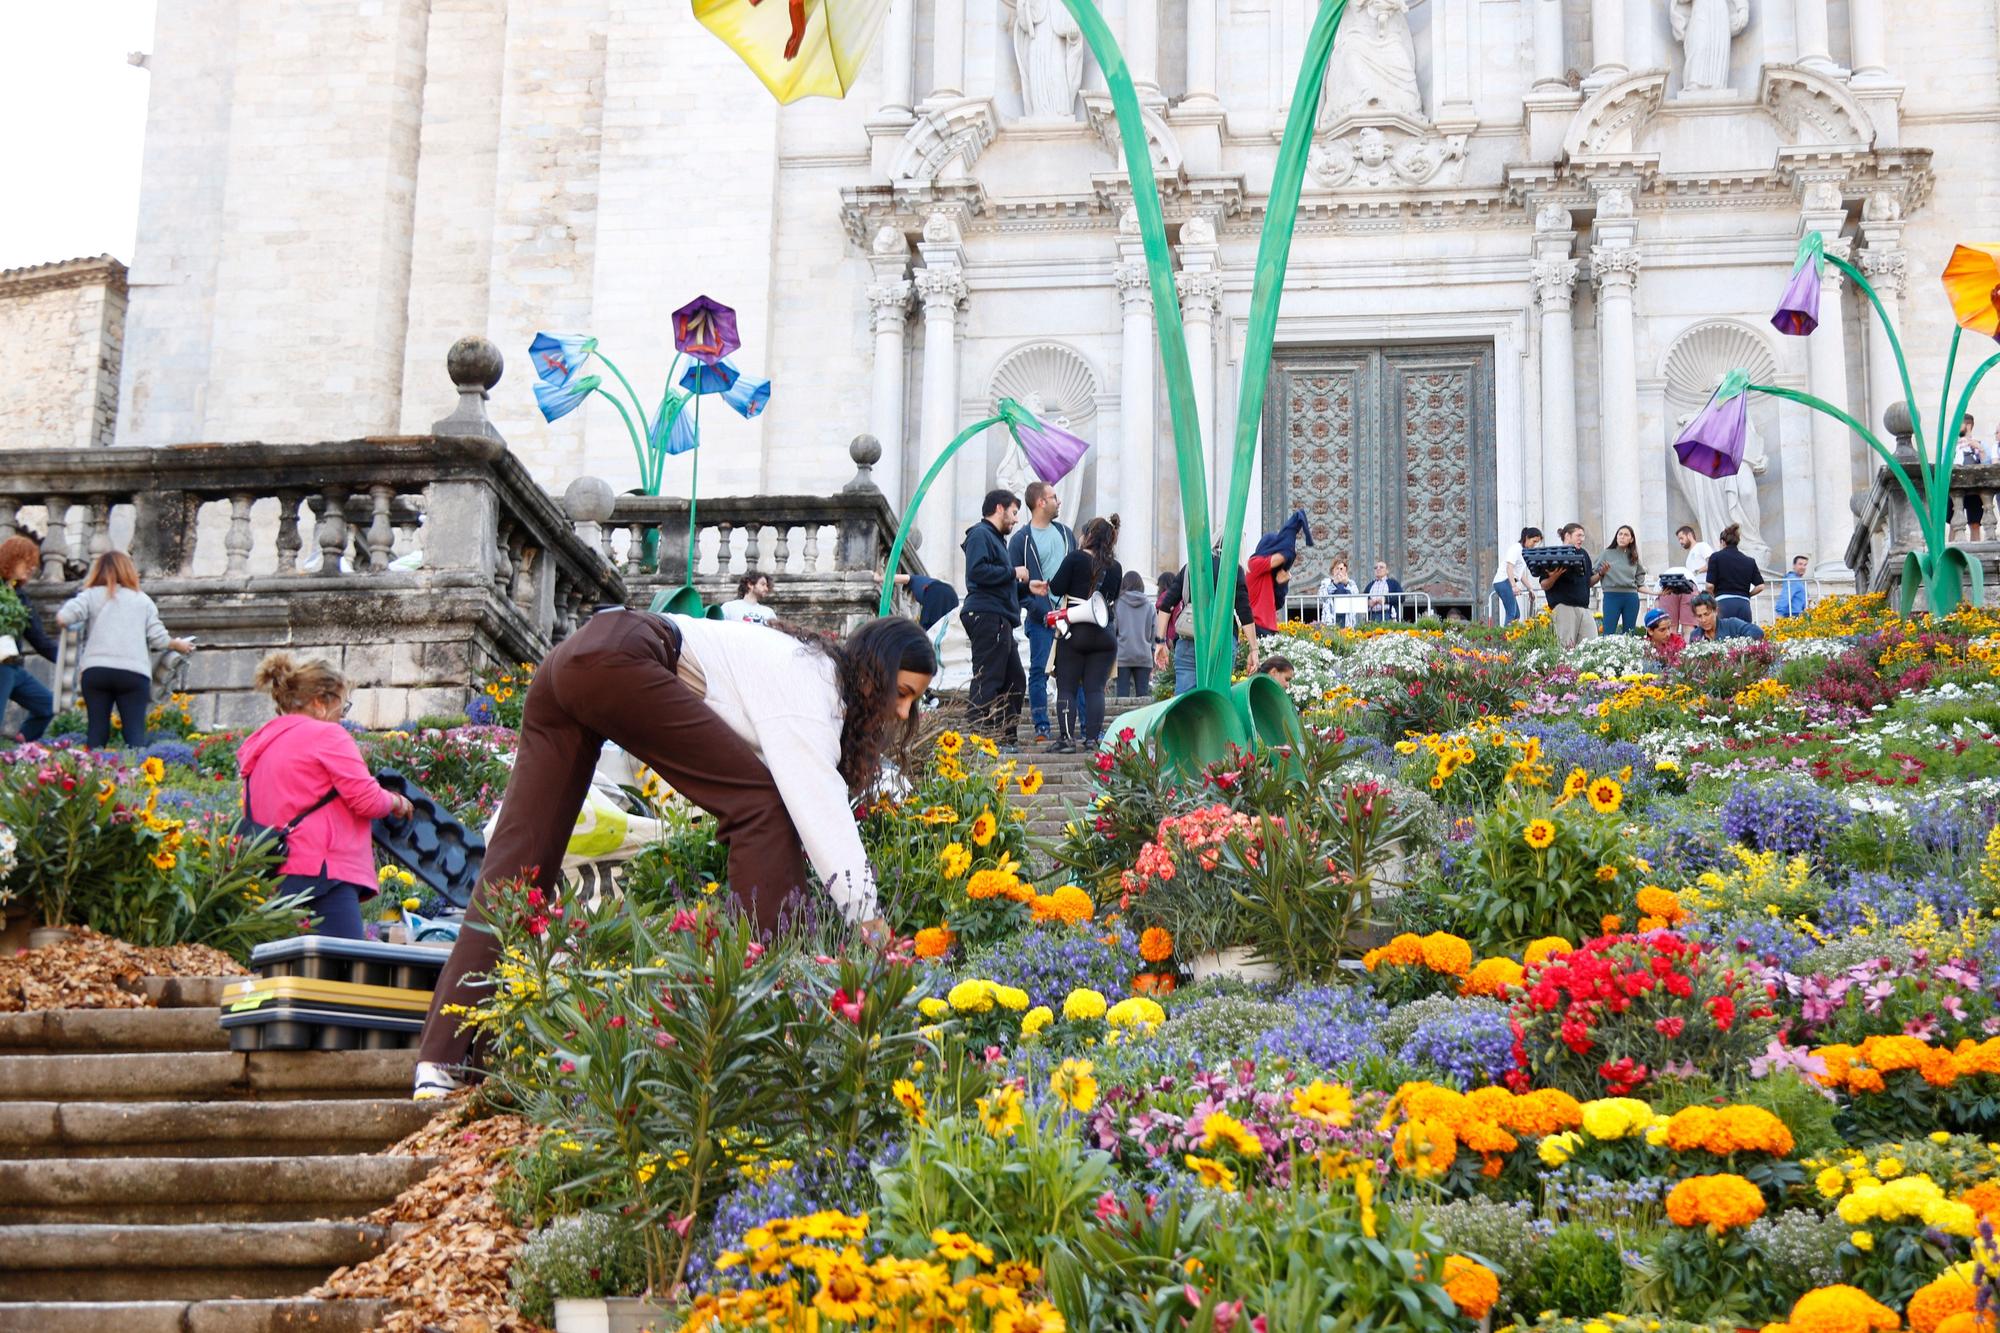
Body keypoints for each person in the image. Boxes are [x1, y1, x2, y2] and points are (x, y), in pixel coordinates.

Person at [413, 611, 937, 1098]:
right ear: (875, 670)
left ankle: (444, 1061)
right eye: (903, 691)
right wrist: (872, 925)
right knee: (763, 807)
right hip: (623, 656)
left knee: (516, 871)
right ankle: (772, 1008)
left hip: (573, 663)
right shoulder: (814, 686)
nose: (902, 710)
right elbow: (820, 812)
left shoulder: (796, 672)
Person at [237, 653, 416, 940]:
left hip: (272, 876)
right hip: (324, 875)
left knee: (287, 975)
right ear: (320, 702)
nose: (342, 717)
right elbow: (366, 798)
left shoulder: (260, 744)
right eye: (342, 706)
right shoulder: (327, 736)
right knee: (340, 976)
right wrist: (396, 801)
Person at [56, 552, 194, 749]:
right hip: (133, 672)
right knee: (134, 733)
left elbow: (64, 617)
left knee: (96, 729)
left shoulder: (90, 595)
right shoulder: (142, 600)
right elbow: (159, 639)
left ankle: (92, 773)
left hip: (96, 670)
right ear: (129, 571)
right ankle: (135, 775)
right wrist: (177, 644)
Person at [1005, 481, 1076, 744]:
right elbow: (1013, 581)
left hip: (1069, 615)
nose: (1059, 501)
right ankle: (1041, 727)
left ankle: (1075, 726)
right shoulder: (1021, 540)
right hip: (1041, 618)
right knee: (1039, 671)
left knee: (1072, 671)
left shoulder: (1067, 534)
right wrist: (1034, 604)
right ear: (1040, 503)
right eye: (1054, 497)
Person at [1046, 516, 1122, 751]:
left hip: (1075, 631)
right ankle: (1092, 739)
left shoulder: (1075, 558)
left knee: (1067, 686)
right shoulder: (1116, 567)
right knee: (1095, 689)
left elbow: (1056, 587)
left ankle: (1067, 739)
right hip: (1104, 634)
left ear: (1088, 535)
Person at [961, 489, 1027, 742]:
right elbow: (977, 572)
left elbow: (996, 579)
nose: (1015, 519)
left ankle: (1005, 738)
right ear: (999, 508)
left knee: (1014, 681)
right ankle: (975, 738)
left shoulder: (995, 539)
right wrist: (1013, 573)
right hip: (987, 615)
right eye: (1013, 512)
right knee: (988, 678)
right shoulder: (980, 534)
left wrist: (1025, 587)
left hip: (997, 615)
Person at [1155, 549, 1257, 696]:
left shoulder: (1191, 567)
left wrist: (1160, 642)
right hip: (1223, 641)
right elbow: (1244, 612)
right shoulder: (1233, 568)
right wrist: (1253, 649)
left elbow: (1166, 605)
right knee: (1216, 698)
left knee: (1185, 701)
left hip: (1189, 639)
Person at [0, 535, 57, 743]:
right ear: (11, 559)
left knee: (48, 706)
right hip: (1, 666)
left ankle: (18, 750)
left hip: (14, 667)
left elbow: (39, 639)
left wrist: (71, 660)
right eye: (27, 562)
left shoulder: (20, 596)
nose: (32, 568)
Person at [1247, 510, 1314, 634]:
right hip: (1257, 625)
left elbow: (1277, 604)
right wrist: (1293, 527)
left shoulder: (1270, 572)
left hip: (1269, 627)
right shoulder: (1254, 563)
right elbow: (1284, 555)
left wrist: (1281, 584)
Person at [1542, 523, 1598, 650]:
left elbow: (1588, 582)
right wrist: (1555, 576)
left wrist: (1601, 574)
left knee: (1591, 645)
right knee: (1566, 647)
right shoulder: (1554, 554)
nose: (1582, 539)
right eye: (1579, 535)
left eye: (1583, 536)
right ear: (1568, 535)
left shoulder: (1584, 554)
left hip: (1584, 607)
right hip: (1564, 607)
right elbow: (1544, 584)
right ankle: (1565, 670)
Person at [1704, 523, 1765, 625]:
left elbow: (1709, 586)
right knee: (1744, 638)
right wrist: (1748, 595)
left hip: (1723, 603)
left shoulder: (1715, 557)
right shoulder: (1749, 561)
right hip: (1744, 605)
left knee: (1724, 638)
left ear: (1722, 542)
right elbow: (1760, 586)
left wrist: (1713, 597)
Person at [1659, 525, 1712, 630]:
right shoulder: (1689, 556)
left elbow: (1712, 563)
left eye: (1681, 538)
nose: (1680, 542)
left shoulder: (1702, 546)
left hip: (1701, 589)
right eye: (1679, 539)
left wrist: (1696, 572)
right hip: (1691, 591)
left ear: (1689, 535)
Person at [1112, 569, 1154, 698]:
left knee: (1122, 695)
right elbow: (1153, 633)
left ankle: (1122, 718)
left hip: (1122, 655)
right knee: (1143, 697)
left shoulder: (1117, 604)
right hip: (1144, 655)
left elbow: (1113, 630)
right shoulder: (1149, 606)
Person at [1597, 525, 1646, 635]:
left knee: (1629, 633)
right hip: (1611, 596)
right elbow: (1595, 572)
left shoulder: (1634, 556)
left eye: (1626, 535)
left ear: (1631, 539)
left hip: (1631, 597)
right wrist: (1601, 572)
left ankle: (1629, 652)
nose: (1622, 537)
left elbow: (1640, 580)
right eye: (1620, 534)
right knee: (1608, 632)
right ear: (1616, 536)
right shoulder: (1607, 553)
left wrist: (1656, 593)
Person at [1492, 528, 1533, 625]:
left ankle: (1512, 638)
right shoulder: (1516, 548)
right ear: (1527, 538)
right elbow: (1509, 567)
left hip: (1506, 582)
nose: (1534, 545)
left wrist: (1530, 588)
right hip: (1503, 581)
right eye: (1534, 541)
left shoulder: (1523, 551)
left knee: (1516, 615)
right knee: (1511, 613)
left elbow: (1520, 574)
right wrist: (1514, 586)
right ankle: (1506, 639)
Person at [1688, 592, 1764, 642]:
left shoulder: (1732, 624)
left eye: (1706, 614)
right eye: (1699, 616)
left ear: (1716, 611)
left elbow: (1757, 632)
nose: (1703, 620)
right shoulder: (1695, 635)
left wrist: (1736, 646)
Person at [1956, 415, 1985, 543]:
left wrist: (1978, 448)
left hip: (1974, 489)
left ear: (1968, 426)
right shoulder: (1951, 445)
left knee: (1974, 524)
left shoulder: (1979, 444)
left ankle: (1976, 556)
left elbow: (1988, 463)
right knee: (1954, 524)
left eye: (1959, 424)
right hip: (1955, 488)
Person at [1318, 558, 1358, 629]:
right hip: (1331, 617)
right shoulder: (1326, 583)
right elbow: (1322, 597)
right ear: (1332, 570)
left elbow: (1356, 596)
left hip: (1346, 617)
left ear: (1345, 571)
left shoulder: (1351, 583)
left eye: (1341, 569)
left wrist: (1346, 583)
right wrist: (1334, 583)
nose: (1339, 571)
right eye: (1337, 568)